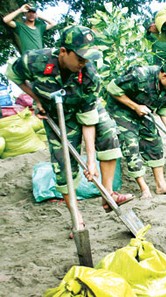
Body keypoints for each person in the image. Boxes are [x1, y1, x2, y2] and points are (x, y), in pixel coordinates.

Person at [6, 25, 133, 237]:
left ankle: (108, 193)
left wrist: (91, 161)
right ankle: (77, 218)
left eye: (88, 58)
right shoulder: (34, 61)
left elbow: (88, 120)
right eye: (81, 58)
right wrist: (37, 100)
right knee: (63, 166)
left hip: (84, 107)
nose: (84, 63)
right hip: (56, 113)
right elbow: (14, 74)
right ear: (63, 52)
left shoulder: (90, 75)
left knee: (109, 132)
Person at [106, 59, 166, 199]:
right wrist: (135, 106)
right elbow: (112, 88)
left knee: (154, 142)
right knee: (131, 144)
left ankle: (161, 185)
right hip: (121, 110)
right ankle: (144, 188)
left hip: (144, 111)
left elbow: (165, 110)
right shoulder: (140, 75)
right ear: (164, 76)